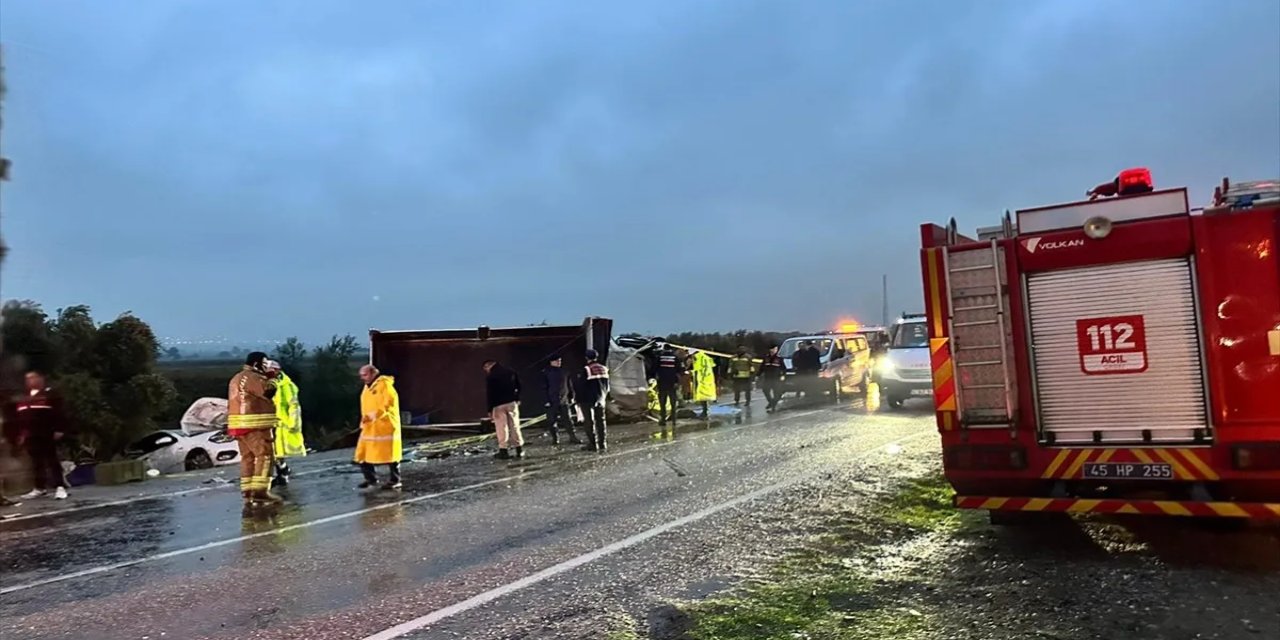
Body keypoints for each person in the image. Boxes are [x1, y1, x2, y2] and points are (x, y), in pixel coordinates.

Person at [228, 353, 281, 505]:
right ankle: (260, 491)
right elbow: (268, 392)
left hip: (239, 424)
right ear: (257, 364)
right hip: (255, 424)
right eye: (264, 364)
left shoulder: (237, 377)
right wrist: (271, 377)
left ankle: (248, 491)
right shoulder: (254, 377)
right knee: (264, 456)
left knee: (248, 458)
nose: (266, 367)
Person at [15, 371, 71, 501]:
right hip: (31, 435)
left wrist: (59, 429)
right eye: (28, 379)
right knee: (36, 462)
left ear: (41, 379)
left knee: (52, 460)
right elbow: (20, 418)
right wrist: (21, 434)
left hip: (47, 432)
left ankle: (60, 486)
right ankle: (39, 488)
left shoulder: (50, 394)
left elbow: (60, 413)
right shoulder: (24, 397)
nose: (30, 381)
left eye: (33, 378)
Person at [356, 365, 403, 489]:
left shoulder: (384, 386)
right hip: (370, 427)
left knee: (390, 454)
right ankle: (370, 479)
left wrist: (375, 415)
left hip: (385, 426)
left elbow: (388, 404)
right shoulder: (367, 388)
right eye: (361, 375)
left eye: (364, 375)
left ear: (372, 374)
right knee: (363, 453)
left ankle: (395, 479)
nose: (362, 378)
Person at [264, 360, 305, 488]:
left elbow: (293, 405)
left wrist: (293, 423)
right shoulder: (268, 383)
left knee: (277, 451)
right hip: (271, 421)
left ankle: (282, 474)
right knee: (273, 451)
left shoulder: (286, 385)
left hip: (281, 422)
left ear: (276, 370)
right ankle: (282, 472)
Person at [484, 360, 524, 459]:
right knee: (514, 425)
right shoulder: (510, 371)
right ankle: (519, 449)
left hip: (498, 405)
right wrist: (517, 398)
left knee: (501, 428)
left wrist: (489, 409)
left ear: (488, 366)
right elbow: (519, 385)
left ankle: (503, 450)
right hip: (511, 403)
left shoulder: (491, 376)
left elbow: (490, 394)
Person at [576, 349, 610, 451]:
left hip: (587, 399)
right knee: (601, 420)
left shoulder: (587, 369)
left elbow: (581, 386)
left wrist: (578, 399)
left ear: (586, 358)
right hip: (601, 399)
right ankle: (603, 442)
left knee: (589, 421)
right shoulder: (604, 368)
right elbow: (607, 386)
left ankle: (593, 444)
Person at [542, 356, 579, 446]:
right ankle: (555, 438)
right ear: (551, 362)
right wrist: (546, 400)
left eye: (560, 361)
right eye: (557, 361)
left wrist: (571, 396)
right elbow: (544, 387)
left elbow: (569, 385)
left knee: (568, 420)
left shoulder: (564, 371)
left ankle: (572, 437)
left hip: (563, 400)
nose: (559, 362)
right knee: (552, 421)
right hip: (551, 400)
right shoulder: (546, 372)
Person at [654, 345, 683, 429]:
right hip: (672, 383)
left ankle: (663, 419)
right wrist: (677, 382)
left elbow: (654, 369)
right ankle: (674, 420)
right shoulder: (675, 358)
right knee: (673, 402)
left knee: (662, 402)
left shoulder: (659, 357)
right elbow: (679, 370)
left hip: (662, 383)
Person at [757, 344, 787, 413]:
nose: (774, 350)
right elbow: (762, 367)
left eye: (775, 349)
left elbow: (784, 368)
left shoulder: (779, 358)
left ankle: (773, 405)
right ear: (770, 350)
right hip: (768, 378)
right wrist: (758, 375)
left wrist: (783, 375)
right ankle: (771, 402)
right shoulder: (766, 358)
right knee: (765, 390)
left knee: (777, 393)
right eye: (772, 349)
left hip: (776, 378)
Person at [690, 349, 717, 419]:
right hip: (708, 379)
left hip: (702, 380)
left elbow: (696, 369)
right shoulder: (706, 357)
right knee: (705, 397)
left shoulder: (698, 358)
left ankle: (705, 413)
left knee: (703, 397)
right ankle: (705, 412)